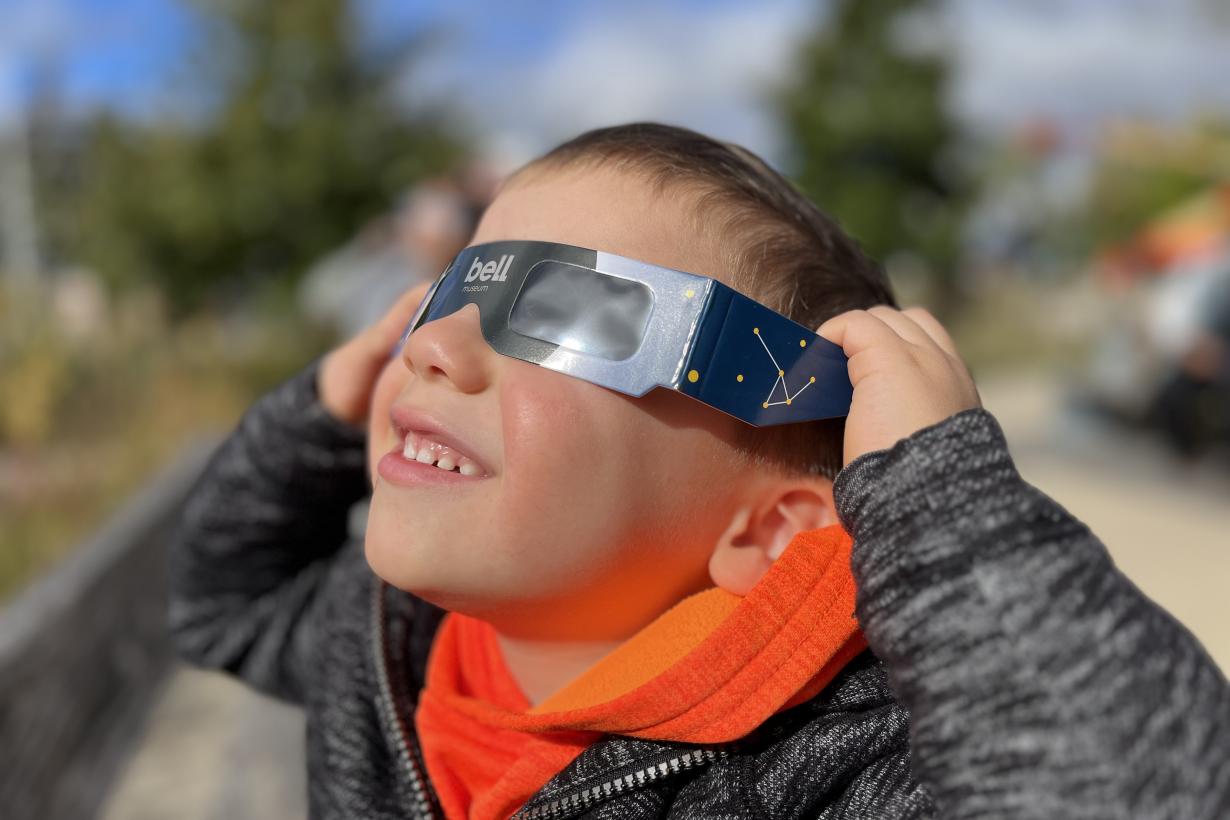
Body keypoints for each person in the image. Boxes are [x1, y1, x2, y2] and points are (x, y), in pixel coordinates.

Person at [166, 123, 1230, 819]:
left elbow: (1138, 790)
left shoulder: (832, 769)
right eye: (453, 289)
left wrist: (938, 493)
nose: (436, 346)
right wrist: (313, 418)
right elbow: (220, 601)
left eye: (566, 316)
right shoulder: (386, 636)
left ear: (768, 530)